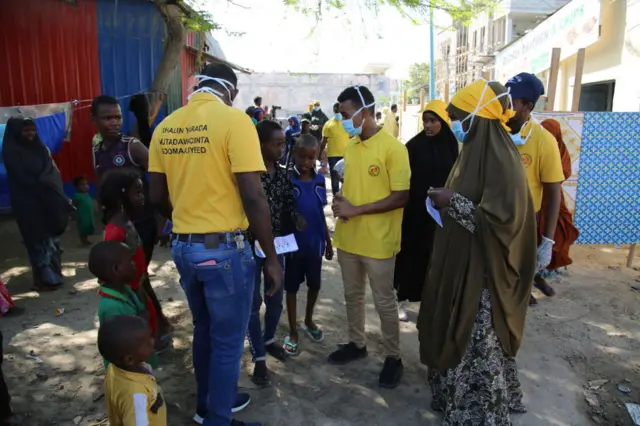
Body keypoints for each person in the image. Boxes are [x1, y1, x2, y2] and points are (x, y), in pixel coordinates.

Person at [148, 62, 280, 426]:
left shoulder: (166, 126)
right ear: (231, 92)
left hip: (184, 249)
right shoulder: (235, 121)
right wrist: (271, 257)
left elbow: (156, 194)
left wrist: (184, 219)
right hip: (223, 251)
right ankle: (217, 419)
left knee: (205, 328)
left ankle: (207, 404)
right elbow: (253, 196)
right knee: (227, 341)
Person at [418, 79, 537, 424]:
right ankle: (452, 397)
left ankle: (479, 414)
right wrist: (446, 200)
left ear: (478, 118)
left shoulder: (503, 160)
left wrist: (452, 201)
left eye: (459, 117)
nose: (455, 124)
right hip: (461, 265)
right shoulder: (472, 153)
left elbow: (504, 223)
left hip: (484, 277)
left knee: (478, 341)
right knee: (455, 332)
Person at [330, 85, 410, 389]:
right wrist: (340, 201)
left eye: (347, 114)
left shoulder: (393, 148)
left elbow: (401, 196)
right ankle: (357, 344)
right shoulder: (350, 147)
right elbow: (353, 188)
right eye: (340, 115)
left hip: (378, 241)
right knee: (353, 296)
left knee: (384, 302)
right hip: (349, 238)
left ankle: (393, 357)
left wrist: (358, 208)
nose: (343, 120)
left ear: (365, 111)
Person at [247, 120, 303, 387]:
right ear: (260, 145)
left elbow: (287, 204)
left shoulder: (283, 174)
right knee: (252, 304)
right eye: (277, 143)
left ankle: (269, 339)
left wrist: (297, 219)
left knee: (275, 297)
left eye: (284, 143)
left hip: (275, 247)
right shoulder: (248, 176)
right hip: (249, 246)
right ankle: (258, 357)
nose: (283, 148)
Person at [394, 100, 459, 322]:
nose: (428, 125)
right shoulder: (413, 146)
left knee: (435, 258)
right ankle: (401, 299)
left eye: (433, 121)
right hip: (415, 212)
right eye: (425, 121)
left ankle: (430, 304)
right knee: (410, 254)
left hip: (441, 214)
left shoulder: (452, 146)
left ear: (443, 121)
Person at [505, 73, 564, 304]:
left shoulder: (543, 141)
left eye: (511, 103)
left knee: (515, 287)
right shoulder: (494, 132)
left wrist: (547, 241)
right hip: (489, 221)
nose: (504, 107)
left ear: (527, 106)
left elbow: (553, 192)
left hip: (523, 225)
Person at [100, 170, 172, 350]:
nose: (142, 197)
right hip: (129, 292)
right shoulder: (115, 233)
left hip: (138, 287)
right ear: (121, 198)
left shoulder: (128, 223)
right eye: (137, 192)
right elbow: (110, 271)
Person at [2, 118, 72, 291]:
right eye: (26, 131)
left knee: (52, 239)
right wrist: (41, 183)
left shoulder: (40, 148)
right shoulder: (12, 152)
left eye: (32, 130)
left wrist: (49, 186)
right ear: (17, 132)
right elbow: (22, 178)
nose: (30, 134)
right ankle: (42, 279)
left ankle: (55, 275)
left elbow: (50, 169)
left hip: (47, 201)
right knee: (36, 240)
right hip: (27, 205)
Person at [91, 95, 158, 267]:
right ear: (95, 120)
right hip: (115, 222)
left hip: (141, 222)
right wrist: (103, 215)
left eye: (118, 117)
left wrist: (162, 219)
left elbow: (160, 175)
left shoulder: (132, 146)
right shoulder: (97, 151)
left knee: (138, 270)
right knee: (122, 270)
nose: (114, 122)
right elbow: (101, 185)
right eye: (107, 118)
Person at [283, 135, 333, 357]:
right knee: (291, 288)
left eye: (310, 158)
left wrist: (328, 241)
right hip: (293, 247)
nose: (305, 162)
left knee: (315, 285)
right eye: (301, 157)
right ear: (294, 154)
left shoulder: (320, 181)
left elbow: (320, 213)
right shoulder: (287, 180)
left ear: (316, 158)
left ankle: (309, 320)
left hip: (315, 245)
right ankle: (293, 331)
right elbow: (282, 213)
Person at [90, 241, 159, 369]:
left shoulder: (125, 290)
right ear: (117, 269)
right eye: (130, 261)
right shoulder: (113, 306)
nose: (134, 265)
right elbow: (123, 343)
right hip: (129, 369)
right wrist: (143, 317)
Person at [98, 315, 166, 426]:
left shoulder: (113, 368)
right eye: (147, 343)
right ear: (129, 359)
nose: (152, 341)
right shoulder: (136, 394)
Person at [538, 119, 579, 278]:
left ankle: (553, 266)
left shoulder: (561, 151)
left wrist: (551, 177)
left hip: (554, 197)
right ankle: (537, 274)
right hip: (538, 197)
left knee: (559, 230)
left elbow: (564, 173)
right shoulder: (539, 146)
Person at [321, 103, 350, 195]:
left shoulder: (347, 123)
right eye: (337, 111)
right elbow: (324, 140)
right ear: (334, 111)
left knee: (345, 176)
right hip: (332, 155)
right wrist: (319, 152)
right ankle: (336, 197)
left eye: (340, 111)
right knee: (334, 177)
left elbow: (353, 137)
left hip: (345, 154)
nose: (338, 113)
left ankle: (345, 194)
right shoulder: (328, 124)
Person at [72, 176, 96, 246]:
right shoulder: (77, 196)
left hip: (89, 215)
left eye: (86, 184)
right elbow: (74, 205)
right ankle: (83, 240)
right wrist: (73, 214)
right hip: (82, 215)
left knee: (89, 226)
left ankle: (86, 239)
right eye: (82, 185)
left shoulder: (87, 195)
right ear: (77, 187)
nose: (85, 186)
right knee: (83, 228)